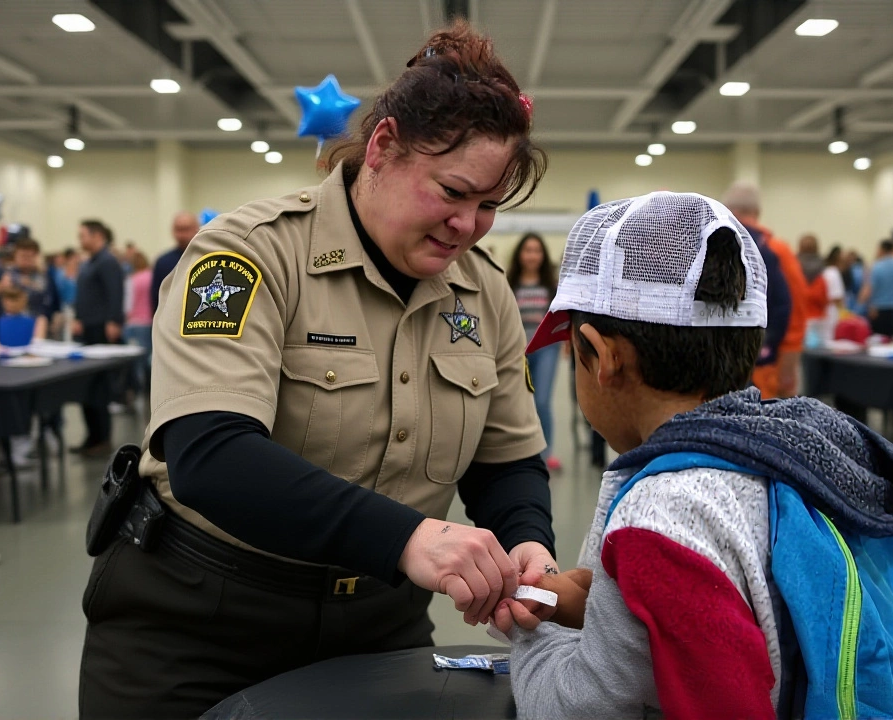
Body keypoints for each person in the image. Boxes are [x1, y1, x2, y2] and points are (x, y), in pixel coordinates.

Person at [78, 22, 556, 718]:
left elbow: (505, 461)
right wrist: (409, 538)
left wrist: (528, 545)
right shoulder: (246, 257)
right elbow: (210, 453)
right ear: (384, 147)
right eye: (452, 192)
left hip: (377, 624)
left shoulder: (482, 292)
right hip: (198, 620)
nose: (468, 226)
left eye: (488, 206)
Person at [495, 192, 893, 718]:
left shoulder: (661, 517)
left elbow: (578, 707)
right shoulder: (796, 450)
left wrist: (532, 628)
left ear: (604, 357)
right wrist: (594, 608)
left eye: (574, 352)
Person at [722, 183, 796, 398]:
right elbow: (791, 309)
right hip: (762, 357)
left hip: (715, 363)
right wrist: (788, 364)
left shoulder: (709, 244)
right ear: (757, 211)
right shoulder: (774, 248)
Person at [507, 232, 561, 472]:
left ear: (543, 255)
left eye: (536, 251)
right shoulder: (509, 284)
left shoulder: (551, 285)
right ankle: (519, 452)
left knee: (542, 401)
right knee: (517, 402)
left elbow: (559, 319)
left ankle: (546, 452)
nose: (532, 255)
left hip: (546, 349)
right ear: (520, 254)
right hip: (517, 350)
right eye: (528, 250)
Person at [70, 220, 124, 457]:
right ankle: (91, 437)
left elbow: (115, 292)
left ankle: (102, 438)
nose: (79, 240)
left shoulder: (107, 261)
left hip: (101, 329)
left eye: (83, 235)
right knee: (87, 386)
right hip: (88, 328)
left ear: (97, 235)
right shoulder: (90, 261)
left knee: (99, 387)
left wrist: (113, 320)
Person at [0, 236, 56, 344]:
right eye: (23, 256)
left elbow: (49, 310)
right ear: (15, 256)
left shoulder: (44, 278)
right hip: (0, 333)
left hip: (33, 333)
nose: (26, 260)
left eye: (30, 256)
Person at [151, 212, 199, 315]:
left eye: (186, 229)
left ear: (197, 229)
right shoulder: (163, 262)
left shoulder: (205, 259)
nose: (181, 235)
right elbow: (156, 297)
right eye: (178, 229)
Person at [860, 239, 893, 337]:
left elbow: (868, 289)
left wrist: (860, 303)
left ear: (882, 250)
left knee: (878, 340)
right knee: (892, 339)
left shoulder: (876, 267)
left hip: (878, 310)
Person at [123, 251, 153, 394]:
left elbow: (127, 304)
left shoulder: (131, 280)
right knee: (149, 359)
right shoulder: (152, 276)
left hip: (134, 322)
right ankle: (150, 389)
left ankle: (138, 390)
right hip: (149, 322)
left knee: (136, 362)